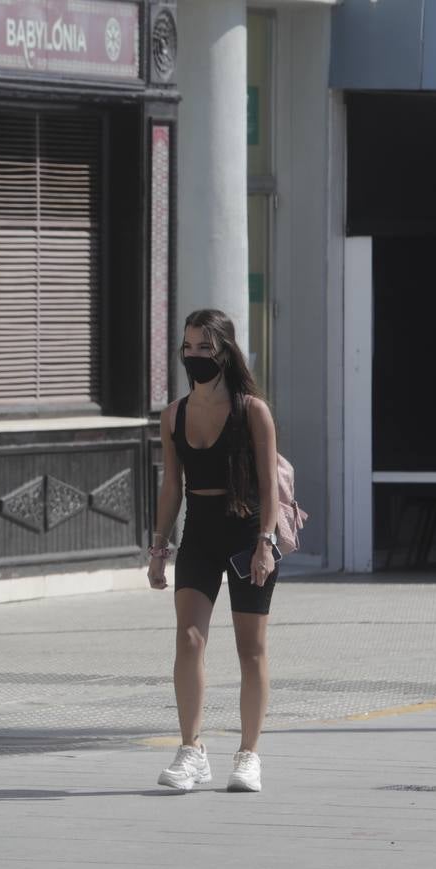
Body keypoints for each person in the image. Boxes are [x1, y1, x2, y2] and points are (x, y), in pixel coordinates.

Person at [147, 309, 279, 794]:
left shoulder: (252, 411)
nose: (194, 356)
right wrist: (159, 548)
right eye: (188, 347)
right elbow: (170, 488)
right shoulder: (174, 415)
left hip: (247, 533)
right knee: (189, 639)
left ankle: (249, 755)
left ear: (224, 350)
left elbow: (269, 487)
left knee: (252, 649)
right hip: (200, 532)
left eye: (204, 347)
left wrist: (265, 544)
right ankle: (191, 749)